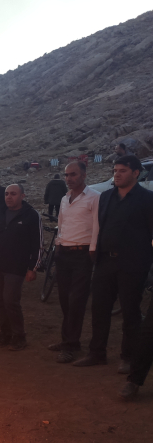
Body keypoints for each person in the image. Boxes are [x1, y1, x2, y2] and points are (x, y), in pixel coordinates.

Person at [75, 156, 153, 372]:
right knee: (99, 309)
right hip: (105, 262)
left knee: (130, 312)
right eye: (115, 170)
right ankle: (96, 352)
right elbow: (101, 226)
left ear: (136, 173)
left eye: (123, 171)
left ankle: (128, 357)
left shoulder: (147, 199)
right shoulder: (106, 197)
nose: (117, 174)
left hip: (133, 265)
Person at [48, 162, 100, 363]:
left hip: (83, 254)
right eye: (66, 175)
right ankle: (69, 340)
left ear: (84, 175)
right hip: (64, 253)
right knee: (64, 298)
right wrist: (58, 245)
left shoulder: (95, 197)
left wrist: (93, 249)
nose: (69, 178)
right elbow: (62, 224)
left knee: (76, 300)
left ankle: (71, 345)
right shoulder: (64, 199)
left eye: (73, 174)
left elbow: (97, 225)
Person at [0, 184, 42, 350]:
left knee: (10, 301)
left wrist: (33, 268)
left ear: (22, 196)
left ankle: (19, 336)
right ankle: (5, 334)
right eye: (7, 194)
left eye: (13, 194)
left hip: (17, 266)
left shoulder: (31, 215)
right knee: (0, 301)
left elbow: (38, 244)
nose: (9, 197)